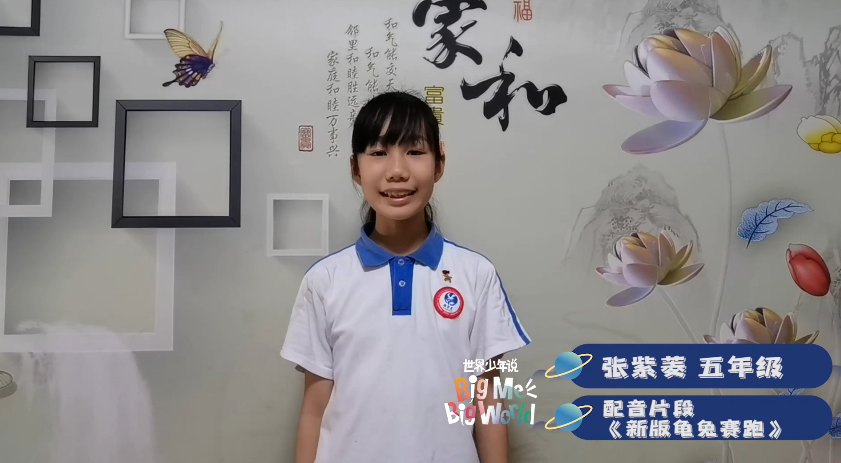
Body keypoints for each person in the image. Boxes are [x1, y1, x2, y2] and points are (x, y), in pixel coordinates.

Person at [280, 91, 531, 463]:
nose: (397, 170)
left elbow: (487, 403)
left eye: (414, 151)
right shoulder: (324, 281)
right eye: (378, 153)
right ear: (355, 169)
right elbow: (314, 410)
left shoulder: (476, 275)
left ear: (439, 163)